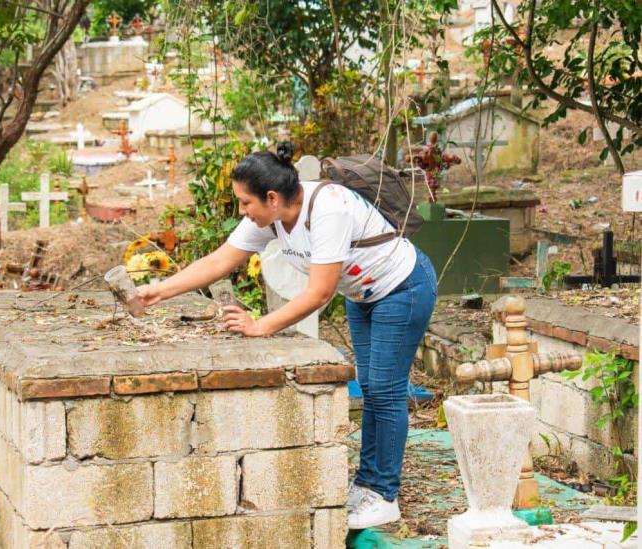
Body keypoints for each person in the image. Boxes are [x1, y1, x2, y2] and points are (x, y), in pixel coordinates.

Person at [136, 142, 437, 530]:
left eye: (246, 203)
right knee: (372, 387)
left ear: (272, 197)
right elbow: (219, 261)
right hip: (362, 295)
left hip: (402, 288)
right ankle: (367, 484)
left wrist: (261, 325)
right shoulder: (272, 217)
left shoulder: (327, 208)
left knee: (385, 389)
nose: (242, 211)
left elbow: (320, 292)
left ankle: (384, 493)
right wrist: (157, 291)